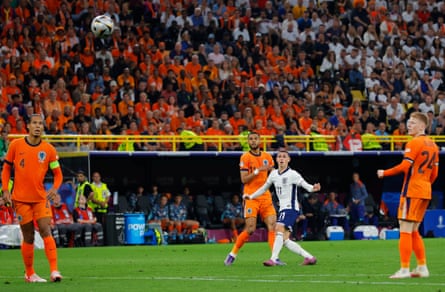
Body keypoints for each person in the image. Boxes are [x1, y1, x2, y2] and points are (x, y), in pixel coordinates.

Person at [1, 114, 63, 282]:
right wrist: (5, 190)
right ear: (28, 126)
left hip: (40, 198)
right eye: (34, 123)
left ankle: (54, 271)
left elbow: (58, 174)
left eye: (40, 124)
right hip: (20, 199)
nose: (37, 126)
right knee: (28, 236)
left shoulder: (49, 149)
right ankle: (29, 273)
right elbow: (6, 169)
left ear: (43, 127)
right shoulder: (16, 145)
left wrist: (55, 188)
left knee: (45, 229)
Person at [377, 112, 439, 279]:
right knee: (414, 231)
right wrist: (424, 184)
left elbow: (405, 166)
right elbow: (435, 173)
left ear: (421, 126)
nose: (408, 125)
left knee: (404, 228)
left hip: (412, 190)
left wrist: (384, 172)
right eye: (408, 122)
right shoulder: (433, 145)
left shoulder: (414, 142)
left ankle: (404, 269)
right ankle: (422, 267)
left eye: (412, 123)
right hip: (425, 190)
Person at [243, 150, 320, 266]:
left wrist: (313, 188)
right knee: (284, 239)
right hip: (283, 209)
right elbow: (264, 188)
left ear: (289, 160)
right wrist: (251, 196)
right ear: (276, 160)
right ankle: (309, 257)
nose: (282, 158)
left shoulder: (293, 174)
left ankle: (273, 259)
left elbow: (306, 185)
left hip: (291, 208)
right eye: (279, 156)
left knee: (278, 228)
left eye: (284, 156)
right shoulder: (273, 174)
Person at [224, 131, 276, 266]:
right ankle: (232, 254)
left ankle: (274, 258)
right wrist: (258, 170)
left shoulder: (268, 157)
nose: (253, 141)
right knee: (251, 229)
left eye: (255, 139)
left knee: (272, 226)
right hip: (251, 196)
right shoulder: (245, 157)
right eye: (251, 139)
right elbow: (243, 179)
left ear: (260, 141)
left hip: (265, 196)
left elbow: (273, 175)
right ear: (248, 142)